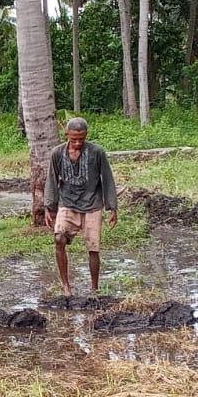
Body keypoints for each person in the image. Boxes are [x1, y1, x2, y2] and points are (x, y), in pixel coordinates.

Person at [44, 117, 119, 296]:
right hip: (67, 202)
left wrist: (112, 206)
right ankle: (66, 286)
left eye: (81, 139)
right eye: (74, 139)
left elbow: (107, 178)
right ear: (67, 135)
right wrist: (48, 207)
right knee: (59, 238)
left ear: (86, 136)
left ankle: (94, 288)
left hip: (92, 203)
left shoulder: (97, 152)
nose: (78, 143)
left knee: (93, 247)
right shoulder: (57, 153)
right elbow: (52, 179)